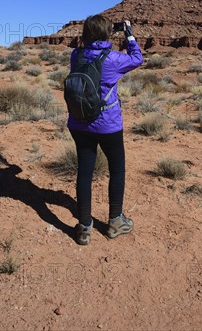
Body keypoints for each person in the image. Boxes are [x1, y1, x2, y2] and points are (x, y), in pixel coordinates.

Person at [67, 14, 143, 244]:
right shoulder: (112, 59)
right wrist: (128, 34)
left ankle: (84, 227)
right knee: (117, 169)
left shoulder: (75, 55)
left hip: (79, 122)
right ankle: (115, 221)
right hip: (108, 124)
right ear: (107, 33)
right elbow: (137, 58)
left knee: (85, 171)